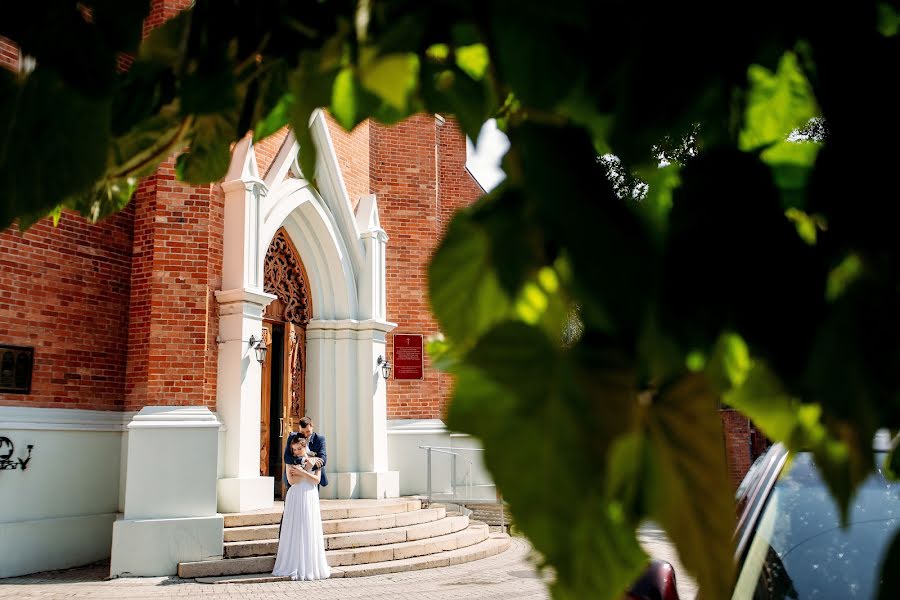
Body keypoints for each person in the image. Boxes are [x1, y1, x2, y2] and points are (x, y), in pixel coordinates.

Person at [272, 436, 331, 580]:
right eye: (294, 450)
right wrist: (306, 474)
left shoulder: (315, 459)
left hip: (310, 496)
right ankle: (293, 564)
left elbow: (317, 480)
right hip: (295, 496)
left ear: (305, 446)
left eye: (299, 448)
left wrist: (302, 472)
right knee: (295, 529)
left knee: (309, 528)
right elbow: (292, 480)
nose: (297, 452)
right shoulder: (290, 461)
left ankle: (310, 566)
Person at [283, 416, 328, 490]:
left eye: (308, 432)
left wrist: (305, 470)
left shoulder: (320, 440)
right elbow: (287, 457)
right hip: (295, 476)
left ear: (312, 427)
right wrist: (303, 460)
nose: (305, 435)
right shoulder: (292, 437)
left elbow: (323, 459)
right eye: (302, 432)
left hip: (312, 477)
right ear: (299, 429)